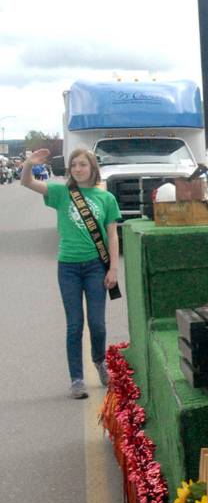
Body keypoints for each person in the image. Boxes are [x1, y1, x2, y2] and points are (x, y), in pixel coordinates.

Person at [21, 147, 121, 398]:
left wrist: (113, 269)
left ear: (92, 168)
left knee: (97, 324)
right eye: (74, 165)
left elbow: (111, 234)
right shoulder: (61, 193)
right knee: (75, 325)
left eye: (83, 165)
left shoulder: (105, 199)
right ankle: (76, 379)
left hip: (95, 267)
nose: (78, 169)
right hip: (68, 268)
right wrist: (28, 164)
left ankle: (99, 361)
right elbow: (27, 182)